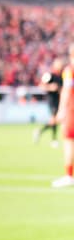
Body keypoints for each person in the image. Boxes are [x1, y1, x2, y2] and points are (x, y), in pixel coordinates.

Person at [53, 45, 74, 188]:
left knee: (69, 142)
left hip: (72, 111)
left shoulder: (69, 71)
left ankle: (69, 175)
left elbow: (66, 91)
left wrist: (61, 111)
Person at [34, 59, 63, 147]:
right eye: (59, 65)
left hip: (59, 101)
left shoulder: (61, 77)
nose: (60, 66)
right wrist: (51, 87)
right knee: (54, 119)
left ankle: (40, 131)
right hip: (52, 101)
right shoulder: (49, 75)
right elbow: (41, 86)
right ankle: (53, 140)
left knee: (55, 120)